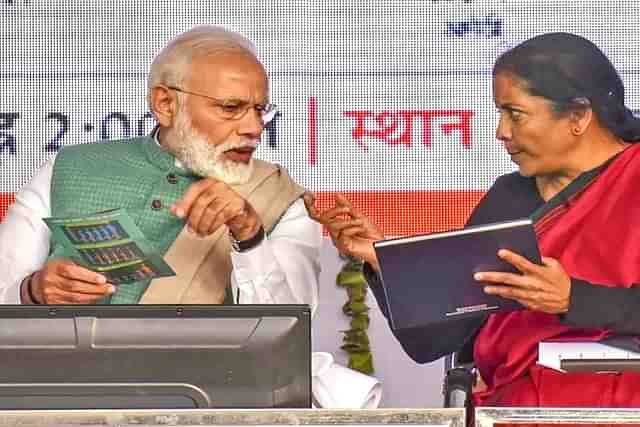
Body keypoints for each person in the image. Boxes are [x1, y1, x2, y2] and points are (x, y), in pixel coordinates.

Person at [305, 32, 640, 407]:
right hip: (513, 408)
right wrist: (384, 259)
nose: (502, 132)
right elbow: (432, 341)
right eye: (500, 114)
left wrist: (572, 298)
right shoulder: (510, 197)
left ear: (578, 116)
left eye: (515, 113)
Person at [0, 25, 321, 308]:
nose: (254, 127)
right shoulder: (69, 168)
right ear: (166, 105)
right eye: (230, 108)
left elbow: (291, 329)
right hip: (65, 373)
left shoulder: (280, 196)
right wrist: (33, 291)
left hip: (202, 375)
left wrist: (250, 235)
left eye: (260, 110)